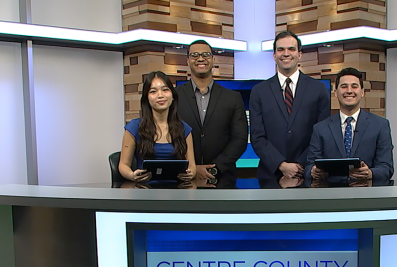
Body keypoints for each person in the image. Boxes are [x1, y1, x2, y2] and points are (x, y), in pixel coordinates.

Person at [249, 31, 331, 179]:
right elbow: (257, 137)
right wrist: (281, 164)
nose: (286, 54)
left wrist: (300, 164)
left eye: (291, 49)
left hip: (308, 173)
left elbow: (322, 135)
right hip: (270, 174)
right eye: (280, 50)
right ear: (274, 56)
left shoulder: (318, 89)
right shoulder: (259, 91)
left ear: (300, 54)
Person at [306, 67, 394, 181]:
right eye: (344, 86)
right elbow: (309, 167)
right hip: (332, 195)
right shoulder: (320, 128)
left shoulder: (381, 125)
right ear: (336, 93)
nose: (349, 91)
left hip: (367, 195)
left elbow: (387, 168)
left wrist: (370, 173)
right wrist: (314, 172)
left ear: (362, 92)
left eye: (354, 86)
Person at [177, 40, 248, 179]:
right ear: (187, 61)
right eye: (195, 55)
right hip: (183, 178)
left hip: (224, 178)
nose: (201, 59)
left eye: (206, 55)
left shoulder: (232, 98)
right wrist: (192, 168)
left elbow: (240, 139)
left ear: (213, 60)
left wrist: (216, 168)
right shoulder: (174, 97)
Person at [118, 71, 196, 182]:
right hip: (145, 190)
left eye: (165, 90)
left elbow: (192, 166)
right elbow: (123, 165)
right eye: (153, 91)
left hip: (177, 191)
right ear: (147, 98)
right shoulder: (134, 127)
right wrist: (132, 175)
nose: (160, 95)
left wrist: (190, 174)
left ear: (172, 95)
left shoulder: (184, 129)